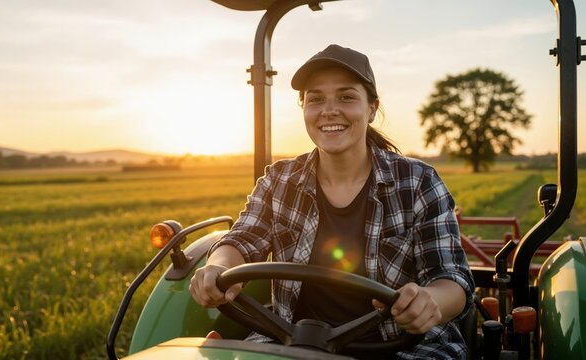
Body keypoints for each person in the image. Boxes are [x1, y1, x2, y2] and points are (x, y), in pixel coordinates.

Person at [189, 44, 475, 359]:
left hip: (401, 345)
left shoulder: (418, 182)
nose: (329, 110)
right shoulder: (278, 181)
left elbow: (451, 279)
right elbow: (241, 240)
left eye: (346, 97)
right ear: (304, 109)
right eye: (315, 99)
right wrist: (217, 267)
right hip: (291, 341)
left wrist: (428, 300)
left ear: (372, 108)